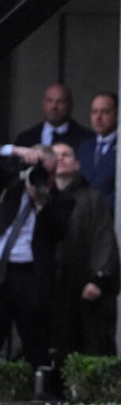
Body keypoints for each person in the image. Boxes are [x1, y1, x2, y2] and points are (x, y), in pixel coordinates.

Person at [51, 141, 121, 358]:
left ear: (77, 164)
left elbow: (103, 237)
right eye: (55, 155)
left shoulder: (92, 198)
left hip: (81, 285)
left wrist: (98, 277)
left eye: (66, 154)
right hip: (51, 287)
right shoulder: (41, 197)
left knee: (86, 343)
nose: (61, 158)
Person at [0, 145, 65, 367]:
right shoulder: (12, 187)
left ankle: (41, 389)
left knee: (34, 339)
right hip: (3, 268)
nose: (42, 178)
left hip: (28, 275)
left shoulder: (58, 201)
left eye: (48, 173)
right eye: (39, 171)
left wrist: (41, 202)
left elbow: (60, 230)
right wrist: (16, 153)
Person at [14, 83, 93, 151]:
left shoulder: (86, 139)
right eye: (49, 101)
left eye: (61, 101)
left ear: (70, 104)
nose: (54, 106)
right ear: (43, 103)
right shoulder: (25, 139)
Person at [77, 93, 118, 212]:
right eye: (94, 112)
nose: (98, 117)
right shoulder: (85, 147)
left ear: (117, 114)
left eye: (105, 112)